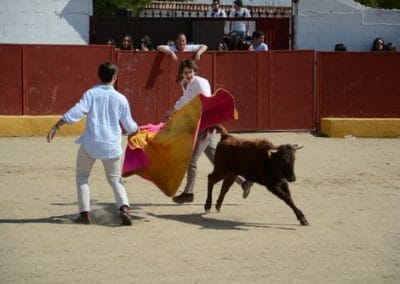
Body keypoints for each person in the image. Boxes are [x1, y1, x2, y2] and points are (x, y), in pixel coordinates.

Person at [46, 62, 139, 226]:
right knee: (115, 179)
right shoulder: (121, 98)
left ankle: (85, 214)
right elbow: (129, 124)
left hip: (91, 143)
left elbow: (77, 111)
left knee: (82, 176)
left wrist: (57, 125)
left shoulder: (91, 94)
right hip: (111, 145)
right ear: (115, 77)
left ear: (99, 75)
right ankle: (124, 208)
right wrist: (136, 131)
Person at [168, 59, 252, 204]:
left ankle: (188, 193)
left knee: (191, 160)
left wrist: (173, 112)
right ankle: (244, 182)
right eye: (185, 73)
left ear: (195, 71)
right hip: (201, 125)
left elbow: (206, 104)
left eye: (190, 72)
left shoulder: (200, 83)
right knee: (217, 161)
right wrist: (174, 111)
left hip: (205, 127)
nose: (187, 75)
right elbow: (185, 100)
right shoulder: (186, 84)